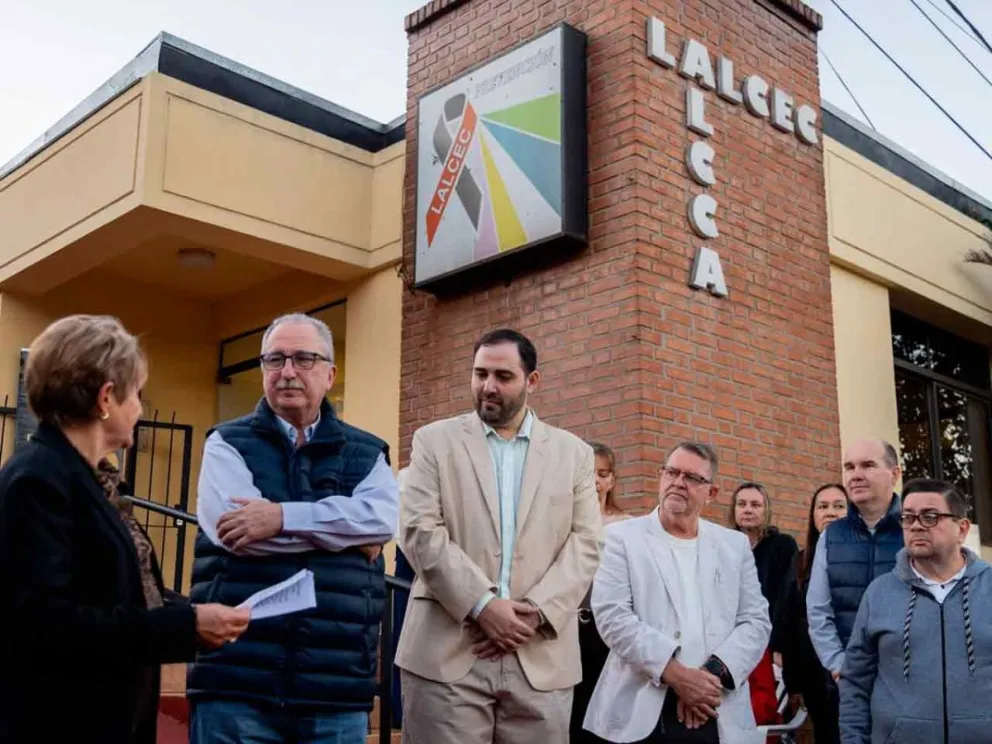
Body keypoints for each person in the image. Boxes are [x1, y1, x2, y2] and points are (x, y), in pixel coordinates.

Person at [0, 315, 249, 744]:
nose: (140, 408)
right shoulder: (37, 481)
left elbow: (117, 590)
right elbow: (47, 626)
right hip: (59, 723)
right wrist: (185, 627)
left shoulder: (98, 482)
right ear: (106, 398)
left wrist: (192, 612)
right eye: (137, 393)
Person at [187, 313, 399, 744]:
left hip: (335, 685)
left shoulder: (368, 452)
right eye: (274, 360)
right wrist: (346, 536)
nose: (287, 372)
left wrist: (280, 518)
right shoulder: (225, 443)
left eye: (303, 359)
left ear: (330, 373)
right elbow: (234, 535)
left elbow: (382, 520)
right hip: (236, 680)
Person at [396, 328, 602, 744]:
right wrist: (483, 605)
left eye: (503, 376)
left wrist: (535, 612)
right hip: (448, 653)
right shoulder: (433, 441)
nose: (488, 386)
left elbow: (587, 542)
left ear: (533, 381)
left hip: (540, 656)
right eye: (480, 374)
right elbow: (419, 530)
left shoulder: (574, 453)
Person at [584, 441, 771, 744]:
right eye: (671, 472)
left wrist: (711, 676)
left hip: (716, 703)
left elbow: (755, 620)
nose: (678, 483)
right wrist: (677, 675)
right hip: (643, 707)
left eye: (692, 478)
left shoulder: (733, 545)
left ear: (711, 493)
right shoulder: (621, 538)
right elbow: (612, 615)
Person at [840, 479, 992, 744]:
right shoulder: (879, 593)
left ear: (962, 529)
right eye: (908, 517)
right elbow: (855, 682)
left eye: (930, 516)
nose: (917, 525)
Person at [807, 438, 904, 680]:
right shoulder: (831, 536)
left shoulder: (916, 529)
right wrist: (838, 664)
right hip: (851, 679)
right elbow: (818, 611)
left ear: (895, 475)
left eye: (868, 465)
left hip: (910, 680)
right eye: (849, 467)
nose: (856, 475)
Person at [773, 483, 849, 744]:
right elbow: (787, 619)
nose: (830, 512)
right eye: (822, 506)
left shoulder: (866, 557)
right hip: (817, 678)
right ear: (813, 516)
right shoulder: (800, 561)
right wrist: (793, 682)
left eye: (839, 506)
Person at [571, 442, 631, 744]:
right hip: (568, 624)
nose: (596, 481)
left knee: (604, 709)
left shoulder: (627, 525)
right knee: (572, 711)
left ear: (612, 480)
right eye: (589, 473)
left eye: (603, 474)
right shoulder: (564, 522)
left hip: (608, 629)